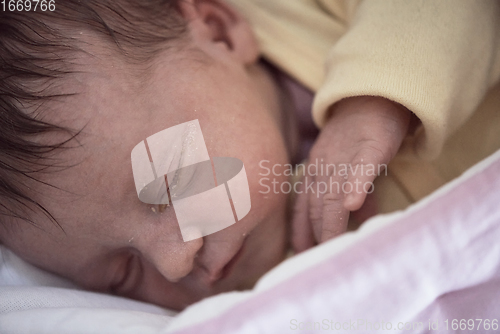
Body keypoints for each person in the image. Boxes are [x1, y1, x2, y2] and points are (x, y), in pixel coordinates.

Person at [0, 0, 499, 312]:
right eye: (122, 276)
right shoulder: (271, 295)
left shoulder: (299, 10)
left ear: (219, 31)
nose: (176, 263)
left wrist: (374, 103)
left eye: (168, 185)